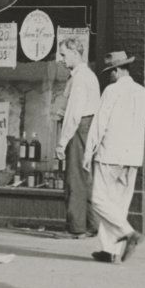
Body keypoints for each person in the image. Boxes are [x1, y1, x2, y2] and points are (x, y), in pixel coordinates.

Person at [83, 50, 145, 263]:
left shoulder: (111, 91)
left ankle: (128, 233)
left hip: (109, 154)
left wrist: (88, 151)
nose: (110, 76)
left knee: (99, 200)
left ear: (118, 70)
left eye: (110, 71)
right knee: (118, 205)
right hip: (132, 158)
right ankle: (111, 251)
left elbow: (99, 123)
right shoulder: (143, 93)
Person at [54, 37, 100, 238]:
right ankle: (91, 224)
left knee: (75, 178)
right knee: (85, 176)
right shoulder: (85, 75)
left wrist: (62, 142)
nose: (61, 59)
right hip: (88, 127)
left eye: (64, 54)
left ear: (75, 53)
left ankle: (76, 227)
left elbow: (74, 113)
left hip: (80, 128)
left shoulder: (80, 78)